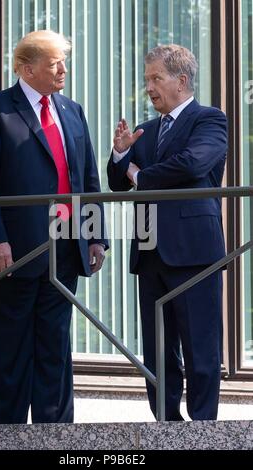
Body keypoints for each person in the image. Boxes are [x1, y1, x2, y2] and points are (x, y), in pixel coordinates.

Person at [0, 30, 108, 424]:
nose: (63, 69)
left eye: (64, 61)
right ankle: (5, 439)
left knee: (55, 348)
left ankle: (57, 436)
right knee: (9, 351)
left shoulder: (72, 110)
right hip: (13, 252)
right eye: (54, 63)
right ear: (27, 68)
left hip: (65, 247)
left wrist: (95, 237)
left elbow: (87, 179)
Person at [107, 44, 227, 421]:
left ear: (182, 80)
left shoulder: (210, 120)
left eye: (156, 78)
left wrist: (139, 174)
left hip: (195, 253)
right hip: (150, 250)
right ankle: (165, 423)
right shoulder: (147, 130)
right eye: (147, 80)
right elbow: (117, 184)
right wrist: (120, 155)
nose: (150, 87)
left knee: (200, 346)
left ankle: (203, 428)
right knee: (158, 349)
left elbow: (193, 164)